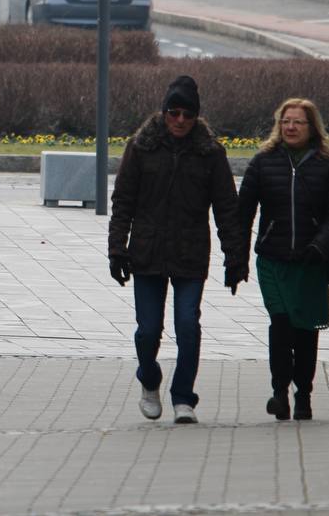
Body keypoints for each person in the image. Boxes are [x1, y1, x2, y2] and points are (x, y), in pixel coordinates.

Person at [108, 76, 247, 425]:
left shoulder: (211, 153)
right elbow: (123, 201)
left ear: (197, 116)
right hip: (147, 251)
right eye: (174, 112)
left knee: (188, 325)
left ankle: (184, 396)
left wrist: (235, 258)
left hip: (190, 252)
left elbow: (227, 208)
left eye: (187, 114)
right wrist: (116, 249)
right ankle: (149, 378)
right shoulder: (141, 147)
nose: (180, 120)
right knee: (147, 330)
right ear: (164, 112)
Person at [238, 98, 329, 422]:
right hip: (273, 259)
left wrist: (321, 244)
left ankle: (304, 394)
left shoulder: (328, 162)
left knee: (305, 330)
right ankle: (279, 392)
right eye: (285, 121)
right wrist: (237, 258)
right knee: (281, 323)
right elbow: (243, 211)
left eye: (298, 122)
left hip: (310, 260)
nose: (290, 127)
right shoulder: (264, 161)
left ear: (311, 126)